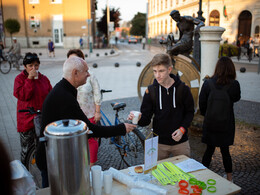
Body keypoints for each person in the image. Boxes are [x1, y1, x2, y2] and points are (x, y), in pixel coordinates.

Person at [36, 56, 136, 188]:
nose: (88, 74)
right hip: (52, 162)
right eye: (86, 71)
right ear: (75, 73)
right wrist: (121, 128)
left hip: (54, 158)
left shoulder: (63, 89)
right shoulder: (64, 97)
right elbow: (89, 130)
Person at [128, 53, 194, 160]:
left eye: (161, 71)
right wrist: (138, 118)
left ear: (169, 69)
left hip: (181, 143)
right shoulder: (151, 91)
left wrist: (182, 129)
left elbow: (190, 112)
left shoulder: (183, 89)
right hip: (159, 144)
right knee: (157, 175)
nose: (157, 75)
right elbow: (146, 120)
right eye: (155, 71)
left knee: (184, 174)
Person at [199, 57, 241, 182]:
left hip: (211, 123)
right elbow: (236, 98)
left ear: (217, 68)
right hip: (226, 123)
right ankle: (229, 178)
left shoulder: (208, 83)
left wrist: (208, 114)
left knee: (208, 150)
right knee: (225, 151)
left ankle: (202, 175)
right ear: (231, 69)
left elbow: (202, 103)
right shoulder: (234, 84)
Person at [13, 53, 52, 168]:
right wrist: (29, 79)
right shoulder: (19, 79)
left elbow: (50, 95)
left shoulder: (44, 79)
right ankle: (25, 171)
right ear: (25, 67)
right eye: (30, 66)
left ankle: (42, 169)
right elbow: (23, 95)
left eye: (36, 65)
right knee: (27, 150)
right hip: (27, 120)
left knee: (43, 148)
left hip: (41, 119)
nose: (33, 68)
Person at [67, 49, 101, 167]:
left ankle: (92, 165)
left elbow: (97, 93)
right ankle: (80, 164)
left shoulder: (90, 75)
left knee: (91, 139)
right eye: (70, 60)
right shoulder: (68, 78)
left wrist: (97, 111)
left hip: (89, 113)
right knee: (76, 140)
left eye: (75, 59)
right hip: (74, 116)